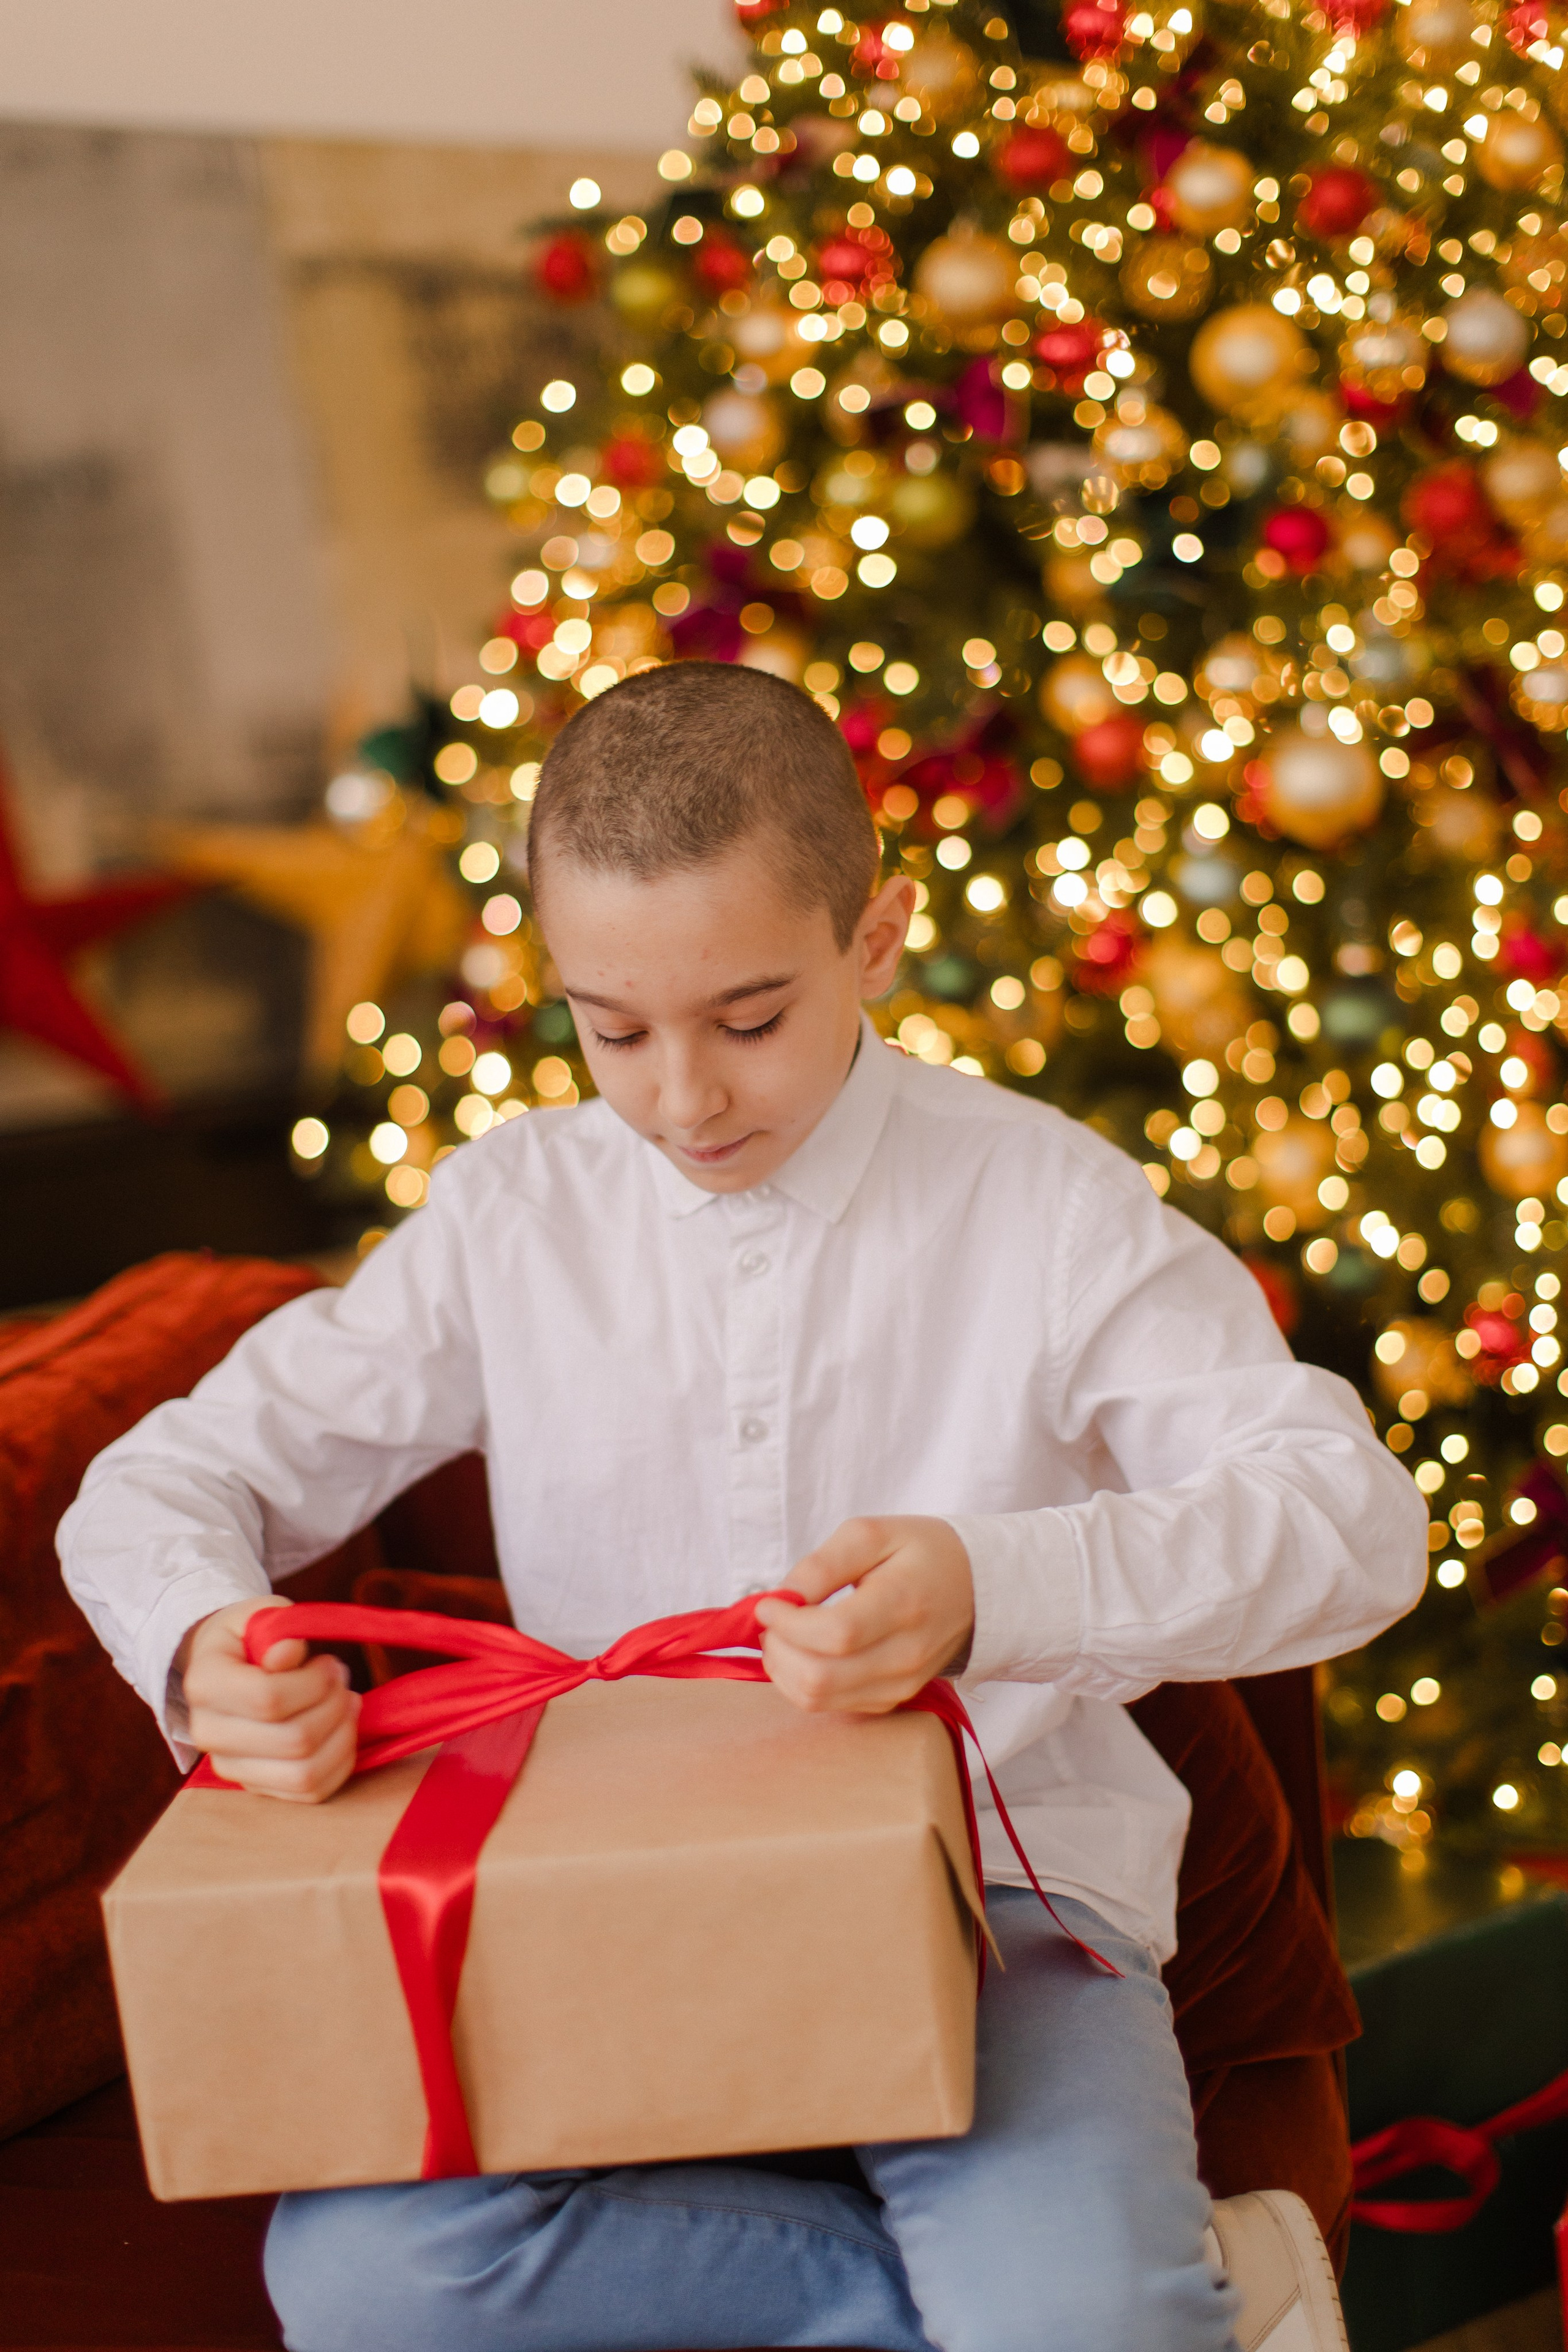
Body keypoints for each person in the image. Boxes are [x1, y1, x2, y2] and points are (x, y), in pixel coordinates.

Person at [61, 661, 1425, 2352]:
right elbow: (164, 1481)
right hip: (606, 1899)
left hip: (998, 1901)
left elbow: (1355, 1520)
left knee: (1068, 2309)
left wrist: (994, 1587)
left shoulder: (1048, 1205)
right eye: (614, 1029)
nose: (684, 1100)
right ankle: (1189, 2307)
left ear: (875, 940)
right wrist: (205, 1646)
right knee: (368, 2282)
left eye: (752, 1018)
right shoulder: (514, 1216)